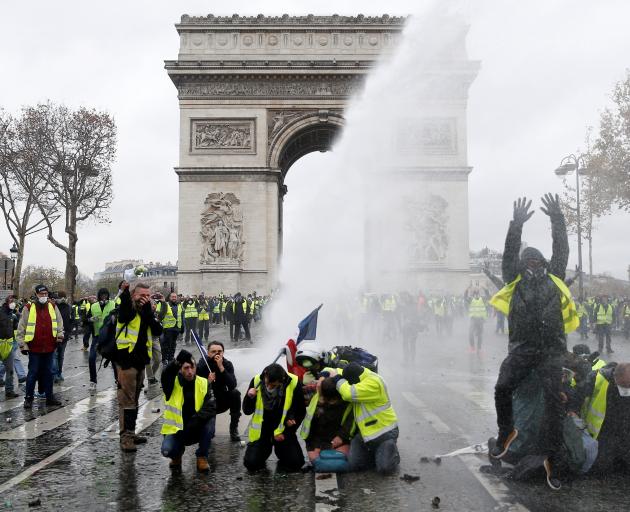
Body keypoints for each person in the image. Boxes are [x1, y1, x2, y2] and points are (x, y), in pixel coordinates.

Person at [489, 194, 577, 491]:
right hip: (523, 349)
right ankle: (505, 433)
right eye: (528, 259)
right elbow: (508, 252)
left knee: (554, 408)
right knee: (502, 388)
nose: (533, 262)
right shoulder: (514, 280)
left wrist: (557, 219)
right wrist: (516, 225)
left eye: (537, 259)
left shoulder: (556, 277)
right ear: (522, 263)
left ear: (544, 263)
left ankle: (554, 461)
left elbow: (561, 248)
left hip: (552, 351)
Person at [115, 282, 163, 452]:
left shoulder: (147, 311)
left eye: (147, 295)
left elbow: (158, 331)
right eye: (141, 295)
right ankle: (126, 438)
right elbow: (125, 311)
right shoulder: (127, 308)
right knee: (126, 400)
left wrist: (149, 312)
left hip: (141, 360)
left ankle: (131, 432)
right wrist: (126, 291)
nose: (145, 298)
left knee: (134, 400)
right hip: (126, 360)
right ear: (134, 295)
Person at [160, 349, 216, 472]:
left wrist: (194, 421)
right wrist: (177, 361)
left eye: (192, 367)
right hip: (177, 430)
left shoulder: (204, 383)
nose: (190, 371)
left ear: (195, 367)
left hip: (196, 427)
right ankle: (177, 455)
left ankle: (202, 456)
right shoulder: (171, 384)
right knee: (167, 450)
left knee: (211, 421)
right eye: (186, 368)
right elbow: (166, 374)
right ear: (180, 369)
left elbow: (211, 407)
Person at [242, 363, 305, 471]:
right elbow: (247, 411)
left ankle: (280, 450)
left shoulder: (294, 382)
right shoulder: (257, 380)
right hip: (262, 430)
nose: (269, 387)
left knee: (295, 464)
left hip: (282, 430)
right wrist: (249, 397)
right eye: (268, 384)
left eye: (274, 385)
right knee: (251, 464)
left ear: (282, 379)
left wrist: (288, 430)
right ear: (265, 375)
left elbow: (301, 411)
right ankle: (265, 449)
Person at [570, 362, 630, 474]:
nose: (626, 389)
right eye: (624, 385)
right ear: (615, 377)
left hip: (624, 427)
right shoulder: (596, 379)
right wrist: (573, 412)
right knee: (601, 468)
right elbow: (577, 396)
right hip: (603, 430)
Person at [17, 285, 64, 408]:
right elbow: (21, 327)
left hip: (49, 346)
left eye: (45, 294)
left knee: (49, 373)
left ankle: (49, 397)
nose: (43, 296)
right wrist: (22, 345)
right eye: (41, 294)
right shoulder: (28, 308)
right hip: (34, 348)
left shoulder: (53, 307)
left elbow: (59, 323)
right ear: (36, 295)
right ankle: (28, 398)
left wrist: (59, 337)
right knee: (33, 373)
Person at [300, 377, 354, 472]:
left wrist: (341, 437)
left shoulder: (347, 400)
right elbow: (311, 431)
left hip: (338, 438)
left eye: (335, 400)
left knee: (340, 462)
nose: (333, 403)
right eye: (330, 400)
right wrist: (316, 446)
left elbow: (350, 423)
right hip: (317, 439)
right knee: (318, 462)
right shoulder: (314, 399)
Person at [196, 341, 242, 442]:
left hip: (221, 400)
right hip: (207, 402)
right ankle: (205, 428)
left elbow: (232, 385)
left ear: (223, 353)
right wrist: (208, 382)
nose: (217, 354)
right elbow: (195, 389)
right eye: (213, 351)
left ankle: (233, 428)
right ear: (208, 353)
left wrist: (221, 368)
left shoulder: (227, 364)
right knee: (209, 434)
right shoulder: (202, 365)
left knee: (235, 393)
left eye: (219, 351)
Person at [87, 288, 116, 393]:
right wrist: (90, 319)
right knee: (91, 358)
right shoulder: (93, 306)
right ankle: (93, 381)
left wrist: (115, 318)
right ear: (99, 296)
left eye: (105, 295)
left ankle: (117, 380)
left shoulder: (113, 304)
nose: (104, 297)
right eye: (102, 295)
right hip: (97, 336)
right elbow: (85, 319)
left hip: (110, 336)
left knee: (113, 359)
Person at [0, 296, 20, 399]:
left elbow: (15, 329)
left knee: (10, 369)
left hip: (9, 344)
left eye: (15, 302)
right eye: (12, 301)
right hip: (1, 343)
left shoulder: (13, 315)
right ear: (7, 302)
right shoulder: (1, 313)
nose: (14, 303)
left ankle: (9, 390)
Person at [157, 292, 183, 366]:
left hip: (176, 328)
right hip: (167, 328)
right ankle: (165, 359)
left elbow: (181, 316)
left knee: (173, 344)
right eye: (172, 297)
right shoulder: (165, 304)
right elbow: (159, 314)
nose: (174, 298)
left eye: (175, 297)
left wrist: (182, 328)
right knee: (166, 345)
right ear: (169, 297)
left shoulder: (179, 305)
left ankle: (171, 358)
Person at [52, 291, 72, 383]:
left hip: (65, 335)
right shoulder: (53, 307)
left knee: (61, 355)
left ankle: (59, 372)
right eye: (61, 297)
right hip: (55, 334)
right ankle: (55, 374)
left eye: (64, 297)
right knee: (55, 355)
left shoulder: (68, 307)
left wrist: (68, 332)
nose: (63, 298)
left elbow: (70, 321)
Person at [465, 287, 489, 353]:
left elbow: (488, 296)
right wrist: (467, 289)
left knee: (480, 334)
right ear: (473, 294)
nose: (476, 295)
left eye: (477, 293)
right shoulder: (471, 299)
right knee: (470, 333)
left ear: (479, 294)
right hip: (473, 319)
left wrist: (485, 288)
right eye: (475, 294)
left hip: (481, 319)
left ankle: (479, 348)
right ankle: (472, 347)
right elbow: (465, 298)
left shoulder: (482, 299)